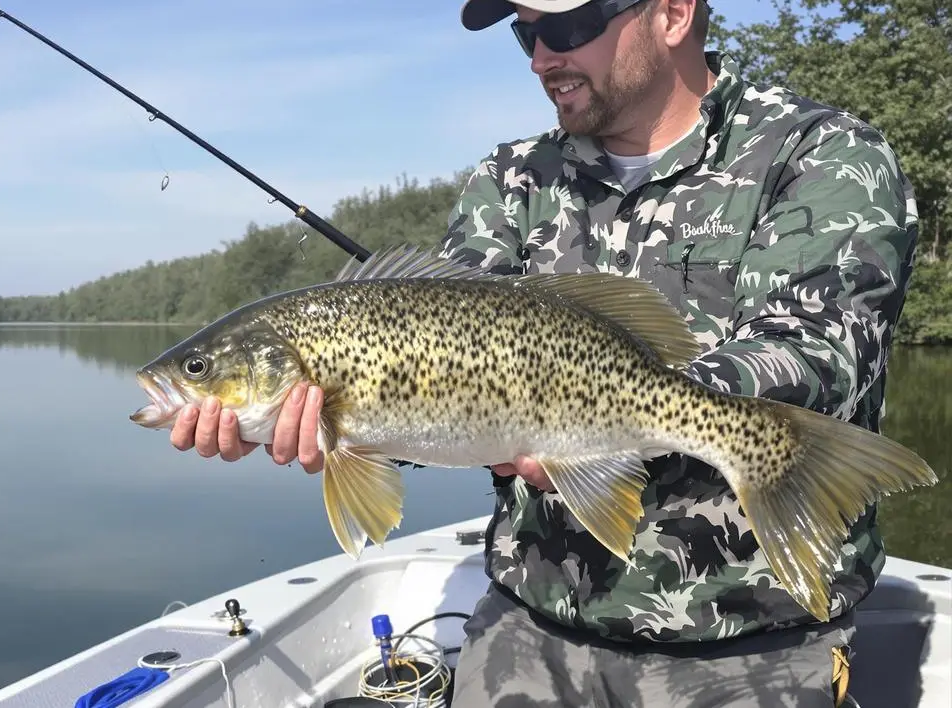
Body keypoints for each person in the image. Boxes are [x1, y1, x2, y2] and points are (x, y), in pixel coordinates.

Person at [169, 0, 920, 705]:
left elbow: (820, 352)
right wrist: (331, 429)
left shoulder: (818, 154)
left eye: (566, 29)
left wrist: (623, 412)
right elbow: (442, 385)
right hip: (531, 622)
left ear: (672, 12)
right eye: (526, 34)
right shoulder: (512, 179)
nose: (540, 59)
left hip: (747, 639)